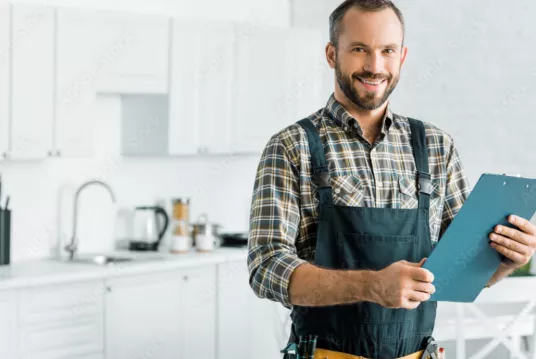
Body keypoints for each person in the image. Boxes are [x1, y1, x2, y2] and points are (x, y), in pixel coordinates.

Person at [247, 1, 536, 358]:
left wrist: (505, 260)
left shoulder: (435, 146)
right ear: (331, 53)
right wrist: (372, 285)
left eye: (387, 50)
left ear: (402, 56)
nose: (375, 66)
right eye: (358, 49)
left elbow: (459, 270)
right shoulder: (292, 146)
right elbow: (265, 267)